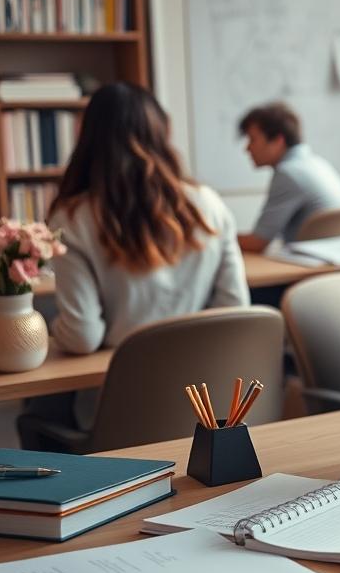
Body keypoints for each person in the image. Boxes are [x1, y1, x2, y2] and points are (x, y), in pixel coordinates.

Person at [22, 83, 249, 443]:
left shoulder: (73, 217)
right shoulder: (209, 204)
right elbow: (235, 311)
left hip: (121, 415)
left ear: (88, 137)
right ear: (162, 132)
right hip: (209, 412)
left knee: (34, 412)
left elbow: (82, 337)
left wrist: (52, 328)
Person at [236, 102, 340, 251]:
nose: (247, 148)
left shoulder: (288, 173)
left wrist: (217, 237)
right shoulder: (317, 163)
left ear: (278, 141)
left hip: (310, 260)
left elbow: (257, 243)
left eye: (252, 139)